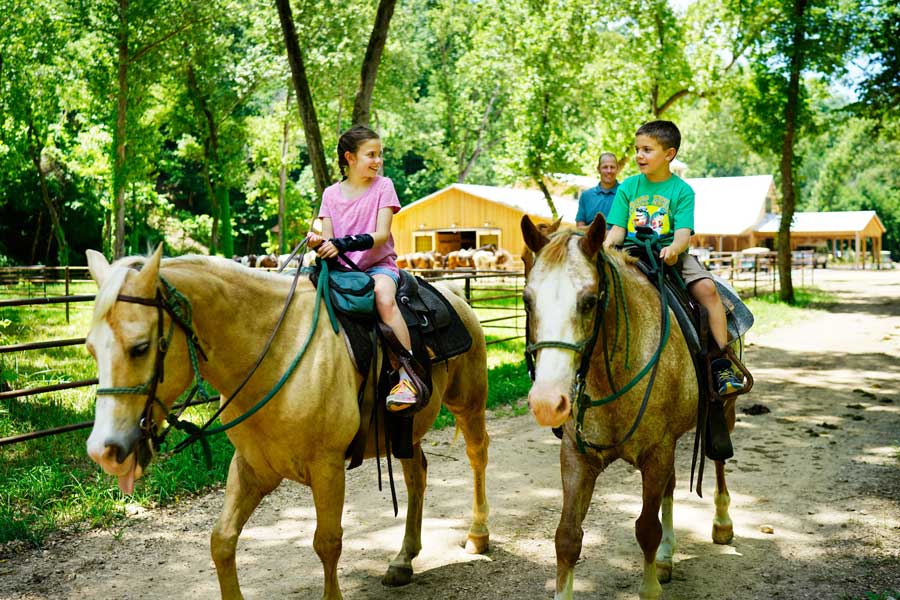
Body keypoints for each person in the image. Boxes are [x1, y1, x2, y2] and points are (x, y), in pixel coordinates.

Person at [603, 120, 743, 396]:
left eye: (647, 150)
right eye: (637, 149)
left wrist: (674, 250)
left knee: (707, 289)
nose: (639, 156)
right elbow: (617, 230)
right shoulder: (628, 187)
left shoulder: (682, 191)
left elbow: (682, 234)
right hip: (631, 252)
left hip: (670, 254)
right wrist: (605, 246)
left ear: (669, 154)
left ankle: (721, 362)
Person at [307, 125, 417, 412]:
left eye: (379, 154)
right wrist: (319, 243)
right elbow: (329, 240)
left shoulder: (384, 186)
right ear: (350, 157)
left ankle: (407, 376)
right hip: (343, 271)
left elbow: (381, 235)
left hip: (378, 267)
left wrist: (343, 243)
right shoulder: (330, 194)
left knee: (383, 298)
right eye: (371, 154)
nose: (378, 161)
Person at [576, 152, 620, 228]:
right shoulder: (586, 196)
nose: (609, 171)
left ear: (617, 169)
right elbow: (580, 226)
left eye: (612, 167)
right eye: (605, 167)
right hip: (589, 235)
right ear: (598, 169)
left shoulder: (625, 194)